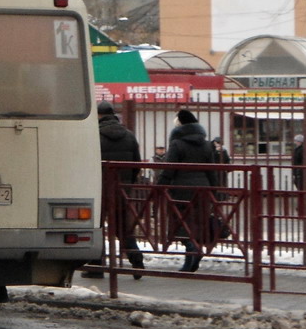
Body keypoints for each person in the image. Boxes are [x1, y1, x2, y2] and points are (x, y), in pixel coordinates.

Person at [84, 101, 144, 279]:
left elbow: (87, 162)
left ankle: (96, 266)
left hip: (99, 188)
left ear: (98, 116)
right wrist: (128, 183)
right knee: (123, 227)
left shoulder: (94, 135)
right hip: (121, 189)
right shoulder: (129, 136)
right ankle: (137, 261)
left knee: (97, 226)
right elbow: (137, 164)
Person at [157, 109, 217, 272]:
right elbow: (212, 170)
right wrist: (215, 191)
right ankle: (189, 260)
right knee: (197, 224)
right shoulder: (206, 144)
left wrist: (159, 186)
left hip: (182, 190)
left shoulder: (177, 144)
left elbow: (169, 169)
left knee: (180, 224)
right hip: (203, 190)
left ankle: (193, 249)